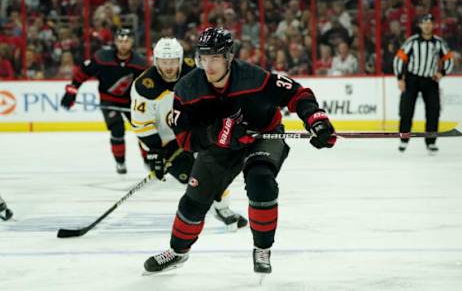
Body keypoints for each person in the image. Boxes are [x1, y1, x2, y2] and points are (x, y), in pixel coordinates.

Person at [143, 27, 336, 275]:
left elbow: (296, 92)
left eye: (215, 57)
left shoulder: (254, 78)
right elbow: (185, 140)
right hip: (219, 147)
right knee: (193, 201)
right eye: (203, 57)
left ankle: (262, 249)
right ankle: (178, 252)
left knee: (261, 181)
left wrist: (315, 119)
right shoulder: (187, 89)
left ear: (229, 57)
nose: (208, 65)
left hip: (261, 136)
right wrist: (215, 134)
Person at [130, 37, 247, 229]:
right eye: (164, 62)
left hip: (193, 131)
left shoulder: (196, 72)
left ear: (181, 59)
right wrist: (155, 151)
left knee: (216, 166)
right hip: (165, 142)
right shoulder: (144, 86)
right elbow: (141, 125)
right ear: (156, 61)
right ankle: (211, 209)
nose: (168, 67)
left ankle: (222, 208)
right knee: (194, 178)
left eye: (173, 61)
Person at [60, 29, 148, 173]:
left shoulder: (140, 63)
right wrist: (72, 90)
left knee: (144, 130)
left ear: (132, 42)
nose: (123, 45)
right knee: (117, 129)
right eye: (120, 41)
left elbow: (149, 85)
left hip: (132, 102)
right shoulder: (103, 58)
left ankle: (148, 160)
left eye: (126, 41)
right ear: (115, 42)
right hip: (109, 101)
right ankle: (120, 162)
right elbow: (83, 72)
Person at [393, 14, 454, 153]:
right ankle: (404, 139)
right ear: (420, 25)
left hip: (430, 80)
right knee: (406, 111)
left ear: (433, 25)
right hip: (412, 79)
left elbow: (449, 59)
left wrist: (442, 73)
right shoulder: (412, 41)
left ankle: (431, 141)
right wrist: (400, 78)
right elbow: (399, 58)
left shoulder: (438, 42)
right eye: (424, 23)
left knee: (433, 111)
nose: (427, 25)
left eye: (430, 23)